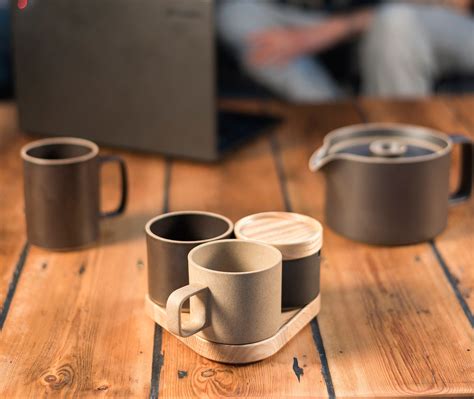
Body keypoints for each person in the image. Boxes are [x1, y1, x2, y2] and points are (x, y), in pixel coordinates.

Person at [217, 0, 474, 101]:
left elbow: (456, 4)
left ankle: (400, 150)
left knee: (396, 23)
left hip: (419, 18)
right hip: (324, 15)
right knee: (237, 15)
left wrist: (332, 30)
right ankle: (340, 123)